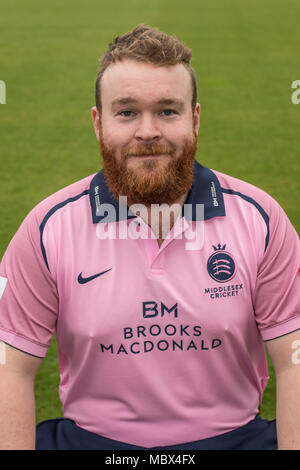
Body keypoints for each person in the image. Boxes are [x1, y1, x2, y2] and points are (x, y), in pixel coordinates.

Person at [0, 24, 299, 451]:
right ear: (98, 123)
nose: (147, 132)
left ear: (194, 119)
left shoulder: (260, 218)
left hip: (234, 439)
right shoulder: (48, 227)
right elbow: (8, 366)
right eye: (126, 112)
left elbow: (294, 359)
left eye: (167, 111)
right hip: (94, 443)